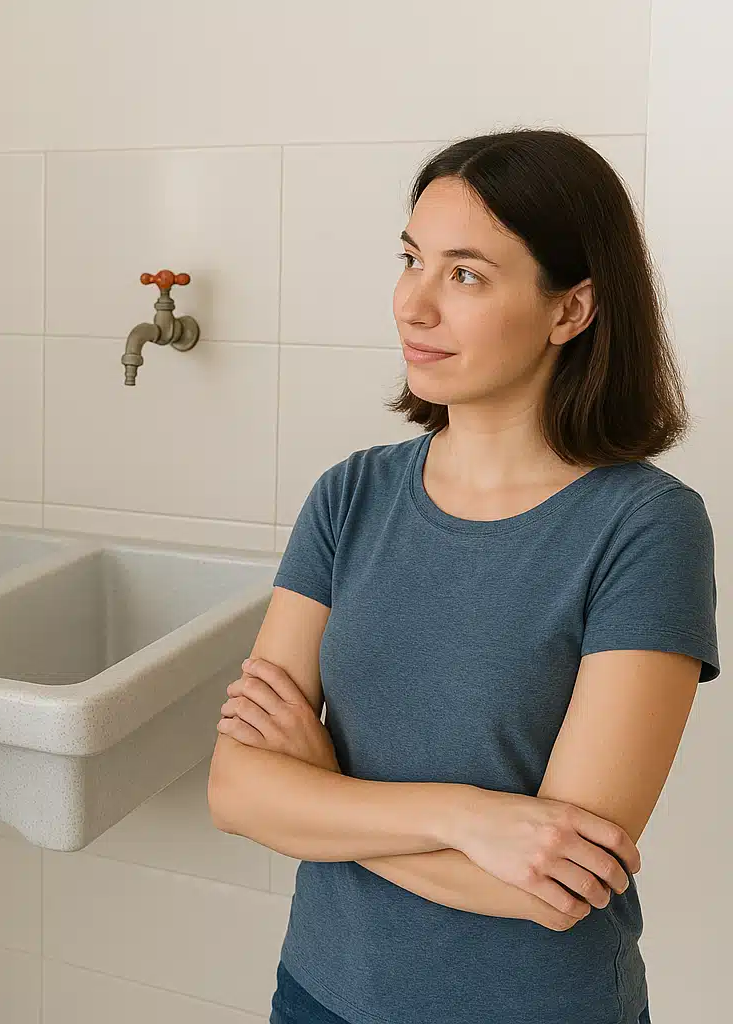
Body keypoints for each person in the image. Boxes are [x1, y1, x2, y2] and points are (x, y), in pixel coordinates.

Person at [207, 129, 717, 1024]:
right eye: (412, 259)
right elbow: (236, 791)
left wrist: (322, 793)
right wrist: (466, 819)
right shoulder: (351, 496)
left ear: (572, 310)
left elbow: (554, 886)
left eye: (467, 274)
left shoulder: (646, 527)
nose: (414, 304)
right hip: (321, 993)